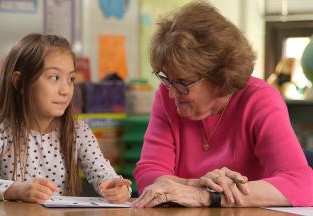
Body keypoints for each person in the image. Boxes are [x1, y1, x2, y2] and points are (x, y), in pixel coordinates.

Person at [132, 2, 313, 208]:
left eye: (182, 82)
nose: (172, 92)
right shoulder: (166, 95)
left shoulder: (260, 100)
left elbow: (303, 185)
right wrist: (196, 186)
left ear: (220, 78)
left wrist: (209, 197)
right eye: (167, 79)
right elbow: (149, 172)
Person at [0, 33, 131, 204]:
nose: (65, 90)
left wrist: (116, 188)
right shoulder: (2, 131)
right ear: (20, 83)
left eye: (71, 79)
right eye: (54, 77)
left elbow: (105, 175)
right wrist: (18, 190)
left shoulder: (78, 131)